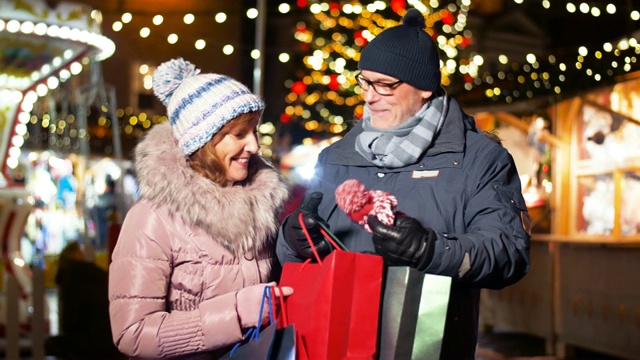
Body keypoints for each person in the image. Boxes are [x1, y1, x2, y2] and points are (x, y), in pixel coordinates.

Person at [276, 9, 531, 360]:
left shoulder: (478, 158)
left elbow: (508, 254)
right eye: (365, 82)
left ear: (424, 88)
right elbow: (296, 258)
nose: (369, 96)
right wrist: (293, 239)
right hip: (334, 344)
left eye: (386, 85)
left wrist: (430, 251)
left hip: (426, 347)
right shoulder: (337, 156)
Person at [108, 58, 292, 359]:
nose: (255, 146)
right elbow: (133, 333)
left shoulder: (262, 203)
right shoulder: (153, 218)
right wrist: (237, 313)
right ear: (204, 139)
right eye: (239, 134)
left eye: (254, 131)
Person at [45, 242, 125, 359]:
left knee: (50, 344)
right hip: (111, 342)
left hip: (88, 345)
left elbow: (68, 322)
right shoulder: (97, 274)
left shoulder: (72, 280)